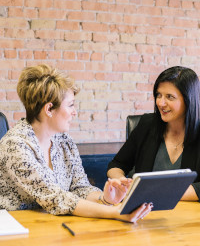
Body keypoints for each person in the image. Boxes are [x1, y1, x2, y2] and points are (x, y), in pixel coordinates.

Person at [0, 64, 152, 223]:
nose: (75, 112)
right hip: (18, 229)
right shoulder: (15, 145)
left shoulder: (64, 141)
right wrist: (114, 212)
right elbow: (56, 199)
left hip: (56, 225)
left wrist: (104, 198)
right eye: (71, 105)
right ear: (49, 109)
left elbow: (80, 188)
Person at [107, 66, 200, 201]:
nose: (161, 103)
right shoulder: (147, 124)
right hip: (145, 213)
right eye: (158, 95)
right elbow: (116, 165)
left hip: (189, 217)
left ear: (188, 100)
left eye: (170, 97)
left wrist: (159, 192)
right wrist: (122, 181)